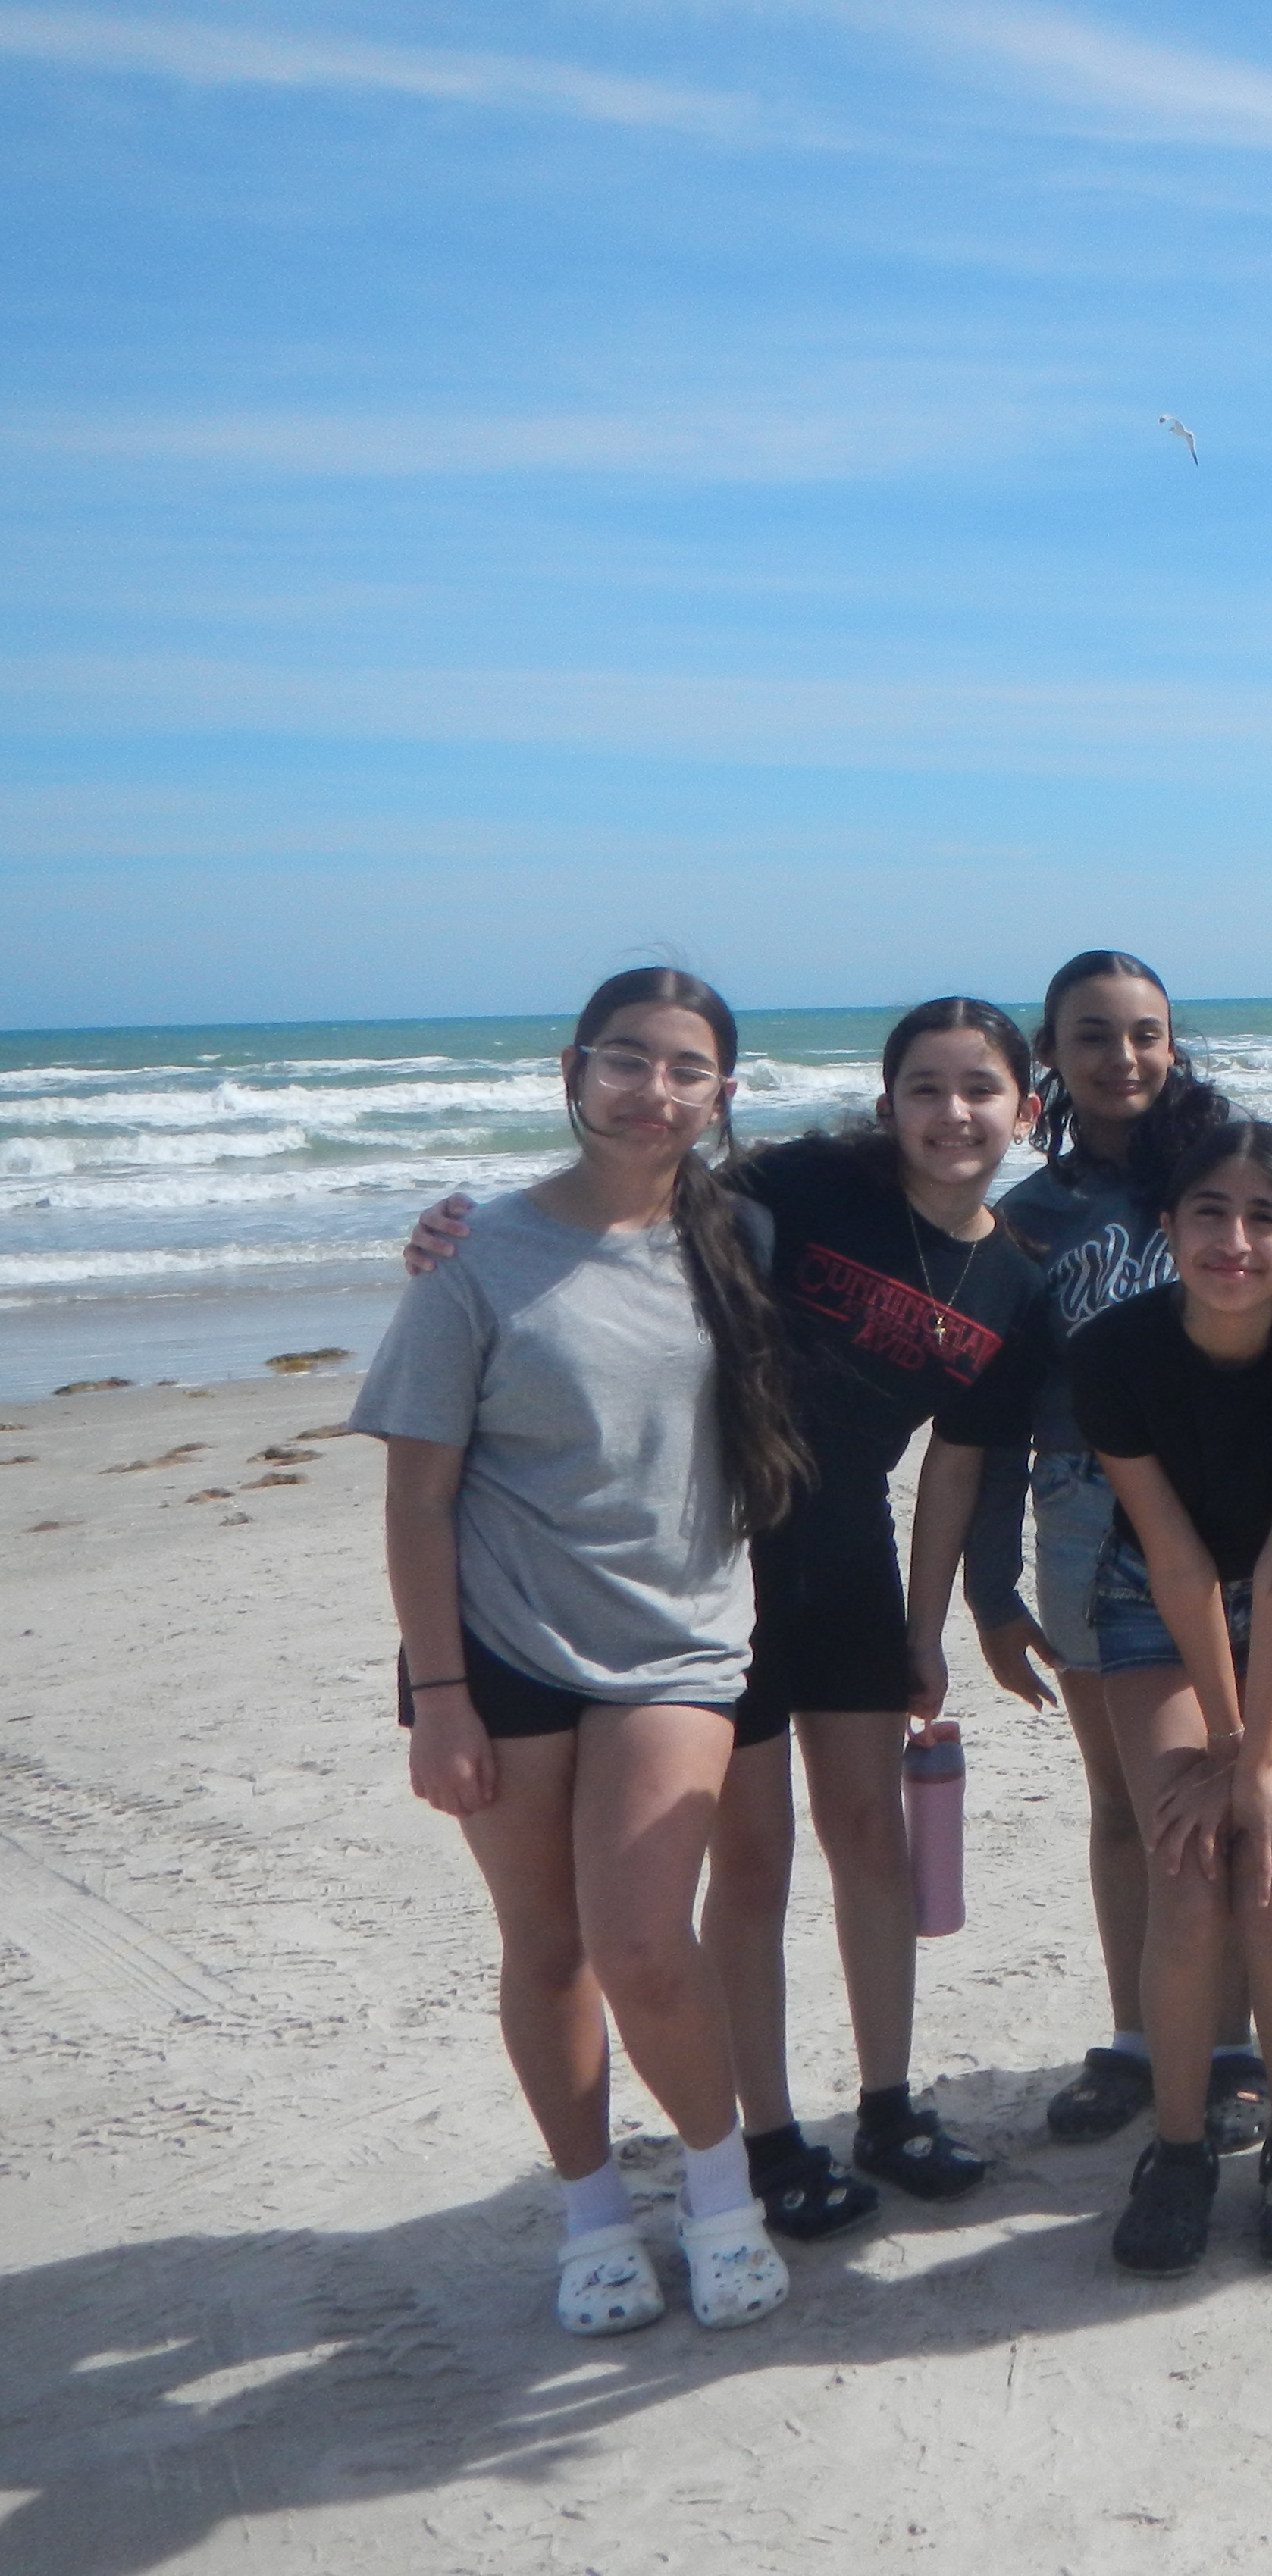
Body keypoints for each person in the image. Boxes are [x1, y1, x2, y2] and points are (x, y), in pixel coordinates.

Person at [407, 998, 1050, 2233]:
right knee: (750, 1862)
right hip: (717, 1558)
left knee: (871, 1839)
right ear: (887, 1101)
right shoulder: (804, 1187)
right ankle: (768, 2137)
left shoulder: (1017, 1283)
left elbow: (958, 1472)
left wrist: (927, 1631)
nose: (951, 1114)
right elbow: (630, 1199)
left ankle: (890, 2105)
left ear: (1023, 1110)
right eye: (925, 1086)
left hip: (851, 1560)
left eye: (979, 1090)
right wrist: (458, 1233)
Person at [356, 967, 798, 2336]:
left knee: (645, 1943)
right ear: (572, 1069)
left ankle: (721, 2196)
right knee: (548, 1950)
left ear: (722, 1095)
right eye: (625, 1061)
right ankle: (594, 2214)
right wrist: (439, 1699)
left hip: (677, 1644)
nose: (650, 1091)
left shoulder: (751, 1239)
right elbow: (419, 1497)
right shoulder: (475, 1259)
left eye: (683, 1069)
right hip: (499, 1648)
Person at [956, 951, 1263, 2155]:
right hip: (1081, 1515)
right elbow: (984, 1420)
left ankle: (1230, 2045)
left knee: (1219, 1799)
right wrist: (988, 1590)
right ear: (1052, 1058)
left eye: (1144, 1034)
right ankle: (1141, 2038)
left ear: (1174, 1047)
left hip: (1224, 1505)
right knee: (1123, 1806)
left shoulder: (1228, 1180)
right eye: (1093, 1036)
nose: (1121, 1058)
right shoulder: (1025, 1223)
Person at [1070, 1124, 1272, 2271]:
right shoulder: (1114, 1353)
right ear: (1169, 1227)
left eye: (1265, 1219)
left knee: (1270, 1857)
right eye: (1209, 1212)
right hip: (1158, 1604)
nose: (1234, 1241)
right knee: (1186, 1862)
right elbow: (1174, 1558)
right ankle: (1178, 2145)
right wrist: (1224, 1737)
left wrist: (1251, 1761)